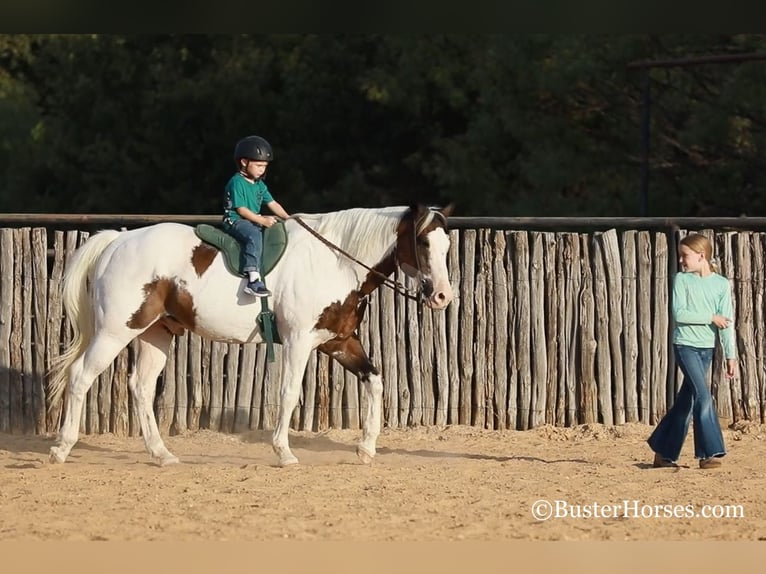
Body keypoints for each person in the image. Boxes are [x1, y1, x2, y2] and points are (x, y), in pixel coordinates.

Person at [647, 233, 737, 470]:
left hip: (706, 349)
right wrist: (710, 317)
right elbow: (680, 314)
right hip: (685, 345)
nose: (681, 261)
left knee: (686, 401)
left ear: (701, 255)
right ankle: (709, 453)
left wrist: (730, 355)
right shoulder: (681, 280)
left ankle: (663, 452)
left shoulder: (720, 284)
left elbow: (726, 323)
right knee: (703, 395)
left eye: (684, 256)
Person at [222, 135, 290, 297]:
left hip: (252, 220)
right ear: (244, 162)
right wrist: (262, 220)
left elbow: (273, 204)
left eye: (264, 166)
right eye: (258, 165)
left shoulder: (260, 185)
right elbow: (241, 210)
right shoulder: (237, 182)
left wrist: (289, 218)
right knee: (254, 234)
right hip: (236, 221)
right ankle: (252, 279)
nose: (262, 169)